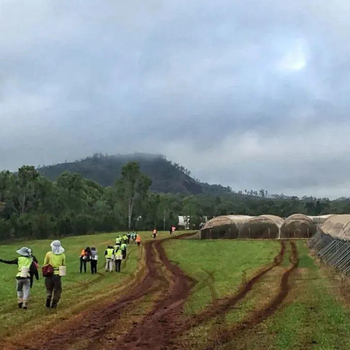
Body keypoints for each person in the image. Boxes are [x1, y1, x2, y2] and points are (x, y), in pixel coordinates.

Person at [44, 240, 66, 309]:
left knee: (49, 288)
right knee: (57, 290)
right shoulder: (62, 255)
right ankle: (54, 303)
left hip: (49, 274)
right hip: (57, 275)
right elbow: (63, 265)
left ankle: (48, 296)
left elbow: (45, 264)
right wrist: (61, 275)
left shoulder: (48, 254)